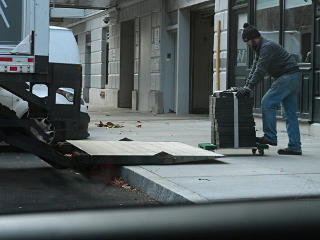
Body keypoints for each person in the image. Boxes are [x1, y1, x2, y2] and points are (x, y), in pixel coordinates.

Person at [236, 23, 302, 155]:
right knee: (289, 114)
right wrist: (246, 86)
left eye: (248, 42)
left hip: (288, 76)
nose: (248, 45)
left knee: (267, 102)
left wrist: (249, 87)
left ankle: (270, 136)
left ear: (254, 39)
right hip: (293, 77)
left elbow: (261, 70)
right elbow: (255, 67)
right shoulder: (260, 49)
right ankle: (295, 146)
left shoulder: (267, 47)